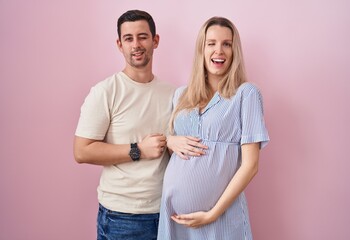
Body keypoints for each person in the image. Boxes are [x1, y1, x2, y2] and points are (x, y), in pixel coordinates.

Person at [157, 16, 270, 239]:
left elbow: (251, 166)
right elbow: (177, 150)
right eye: (212, 43)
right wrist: (170, 140)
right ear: (202, 49)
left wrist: (212, 214)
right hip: (174, 220)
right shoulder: (181, 95)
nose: (219, 50)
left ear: (234, 51)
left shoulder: (246, 94)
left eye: (227, 44)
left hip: (221, 218)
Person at [73, 10, 175, 240]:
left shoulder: (173, 94)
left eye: (143, 37)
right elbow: (81, 151)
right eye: (129, 39)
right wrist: (138, 149)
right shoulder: (105, 92)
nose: (136, 45)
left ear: (155, 40)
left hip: (167, 212)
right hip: (123, 217)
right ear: (120, 44)